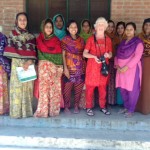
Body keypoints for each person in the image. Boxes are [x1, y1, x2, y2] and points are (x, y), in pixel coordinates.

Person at [4, 12, 37, 118]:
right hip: (17, 65)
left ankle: (26, 112)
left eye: (24, 20)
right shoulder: (12, 34)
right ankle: (16, 113)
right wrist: (21, 63)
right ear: (16, 21)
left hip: (28, 65)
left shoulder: (31, 36)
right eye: (20, 19)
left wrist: (28, 62)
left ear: (27, 22)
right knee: (17, 89)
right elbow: (10, 50)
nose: (23, 21)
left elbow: (33, 52)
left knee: (27, 89)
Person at [83, 17, 112, 116]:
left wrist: (108, 55)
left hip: (103, 68)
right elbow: (84, 53)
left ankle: (103, 107)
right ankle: (88, 107)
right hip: (92, 68)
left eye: (102, 25)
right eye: (99, 25)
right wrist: (94, 57)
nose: (100, 27)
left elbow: (111, 53)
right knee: (90, 89)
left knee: (102, 89)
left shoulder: (108, 40)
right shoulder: (91, 39)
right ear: (95, 27)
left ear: (105, 27)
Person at [34, 18, 63, 117]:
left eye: (50, 27)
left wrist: (59, 68)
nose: (49, 29)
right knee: (44, 90)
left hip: (54, 68)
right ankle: (43, 111)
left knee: (54, 90)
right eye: (47, 27)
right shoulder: (39, 39)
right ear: (43, 27)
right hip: (43, 68)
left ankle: (53, 111)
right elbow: (38, 54)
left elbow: (59, 54)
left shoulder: (56, 40)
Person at [115, 22, 144, 117]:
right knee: (123, 89)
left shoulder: (138, 42)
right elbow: (117, 55)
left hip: (132, 70)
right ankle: (126, 107)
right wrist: (117, 65)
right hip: (121, 70)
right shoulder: (123, 42)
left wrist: (126, 67)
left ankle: (131, 110)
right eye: (127, 29)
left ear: (134, 30)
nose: (128, 31)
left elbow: (137, 57)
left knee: (132, 90)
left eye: (131, 29)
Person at [62, 19, 85, 114]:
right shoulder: (65, 40)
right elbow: (63, 54)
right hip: (69, 68)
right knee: (67, 88)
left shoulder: (81, 40)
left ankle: (76, 105)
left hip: (80, 68)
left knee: (78, 88)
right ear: (68, 28)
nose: (73, 29)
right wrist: (65, 68)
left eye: (75, 27)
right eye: (71, 27)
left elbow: (84, 54)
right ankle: (66, 106)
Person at [136, 18, 150, 114]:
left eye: (149, 25)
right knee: (140, 84)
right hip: (140, 62)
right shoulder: (139, 37)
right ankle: (140, 107)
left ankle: (147, 108)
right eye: (146, 25)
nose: (147, 27)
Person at [106, 20, 118, 105]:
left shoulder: (116, 38)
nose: (110, 28)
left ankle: (110, 102)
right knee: (103, 83)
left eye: (112, 26)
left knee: (111, 83)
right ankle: (103, 102)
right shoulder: (102, 37)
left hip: (113, 62)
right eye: (108, 26)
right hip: (103, 63)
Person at [115, 21, 126, 105]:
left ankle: (125, 103)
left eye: (122, 28)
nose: (120, 30)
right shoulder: (114, 38)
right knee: (117, 83)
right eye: (118, 28)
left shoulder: (128, 39)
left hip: (125, 65)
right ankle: (118, 101)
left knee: (124, 83)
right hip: (115, 63)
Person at [0, 32, 11, 115]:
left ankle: (2, 108)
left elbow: (6, 54)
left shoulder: (3, 37)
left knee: (2, 89)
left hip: (1, 67)